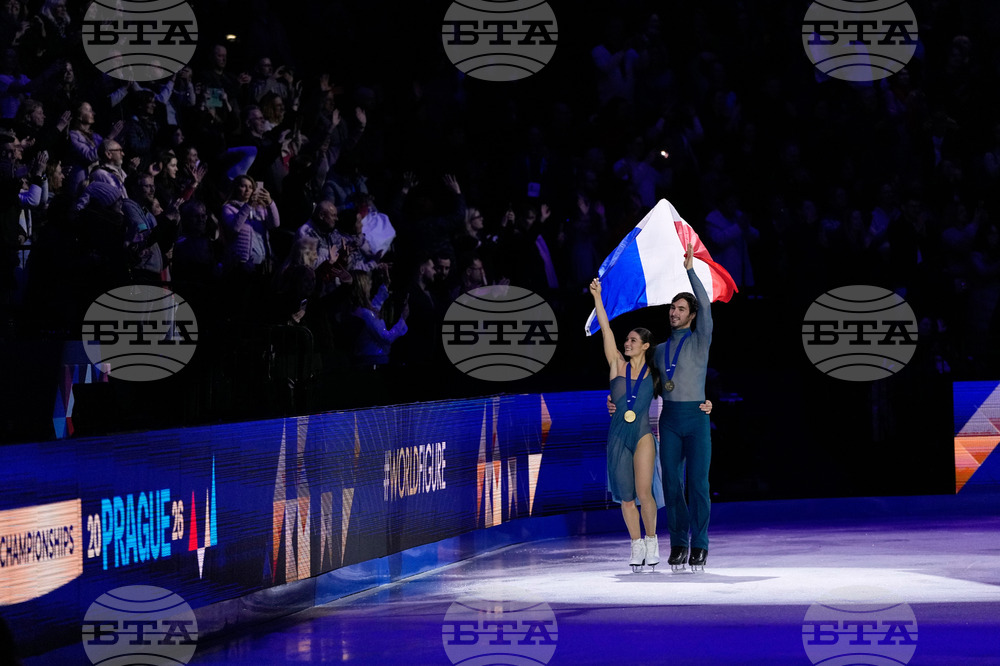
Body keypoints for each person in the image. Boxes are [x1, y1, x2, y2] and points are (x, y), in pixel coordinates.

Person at [589, 275, 665, 571]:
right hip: (618, 435)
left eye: (633, 340)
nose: (627, 342)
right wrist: (597, 297)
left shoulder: (654, 372)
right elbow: (606, 329)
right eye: (627, 340)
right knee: (626, 496)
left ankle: (652, 539)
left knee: (644, 492)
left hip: (643, 433)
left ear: (645, 345)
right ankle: (635, 545)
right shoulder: (617, 365)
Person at [655, 242, 714, 572]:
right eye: (672, 308)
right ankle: (678, 543)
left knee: (698, 485)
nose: (674, 312)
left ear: (691, 316)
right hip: (670, 419)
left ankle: (700, 545)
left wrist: (690, 270)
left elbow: (706, 305)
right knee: (672, 485)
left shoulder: (700, 339)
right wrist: (615, 400)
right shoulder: (660, 349)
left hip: (696, 417)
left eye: (680, 308)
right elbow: (641, 384)